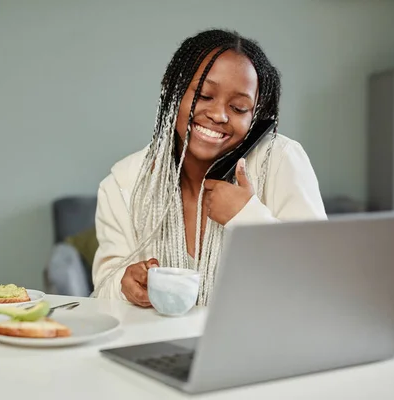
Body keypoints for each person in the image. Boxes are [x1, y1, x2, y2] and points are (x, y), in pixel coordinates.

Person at [91, 29, 327, 307]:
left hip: (260, 346)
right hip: (157, 346)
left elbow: (322, 279)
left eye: (239, 108)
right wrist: (125, 284)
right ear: (172, 89)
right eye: (204, 95)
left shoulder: (280, 161)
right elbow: (102, 291)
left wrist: (248, 217)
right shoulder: (123, 184)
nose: (219, 115)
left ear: (256, 115)